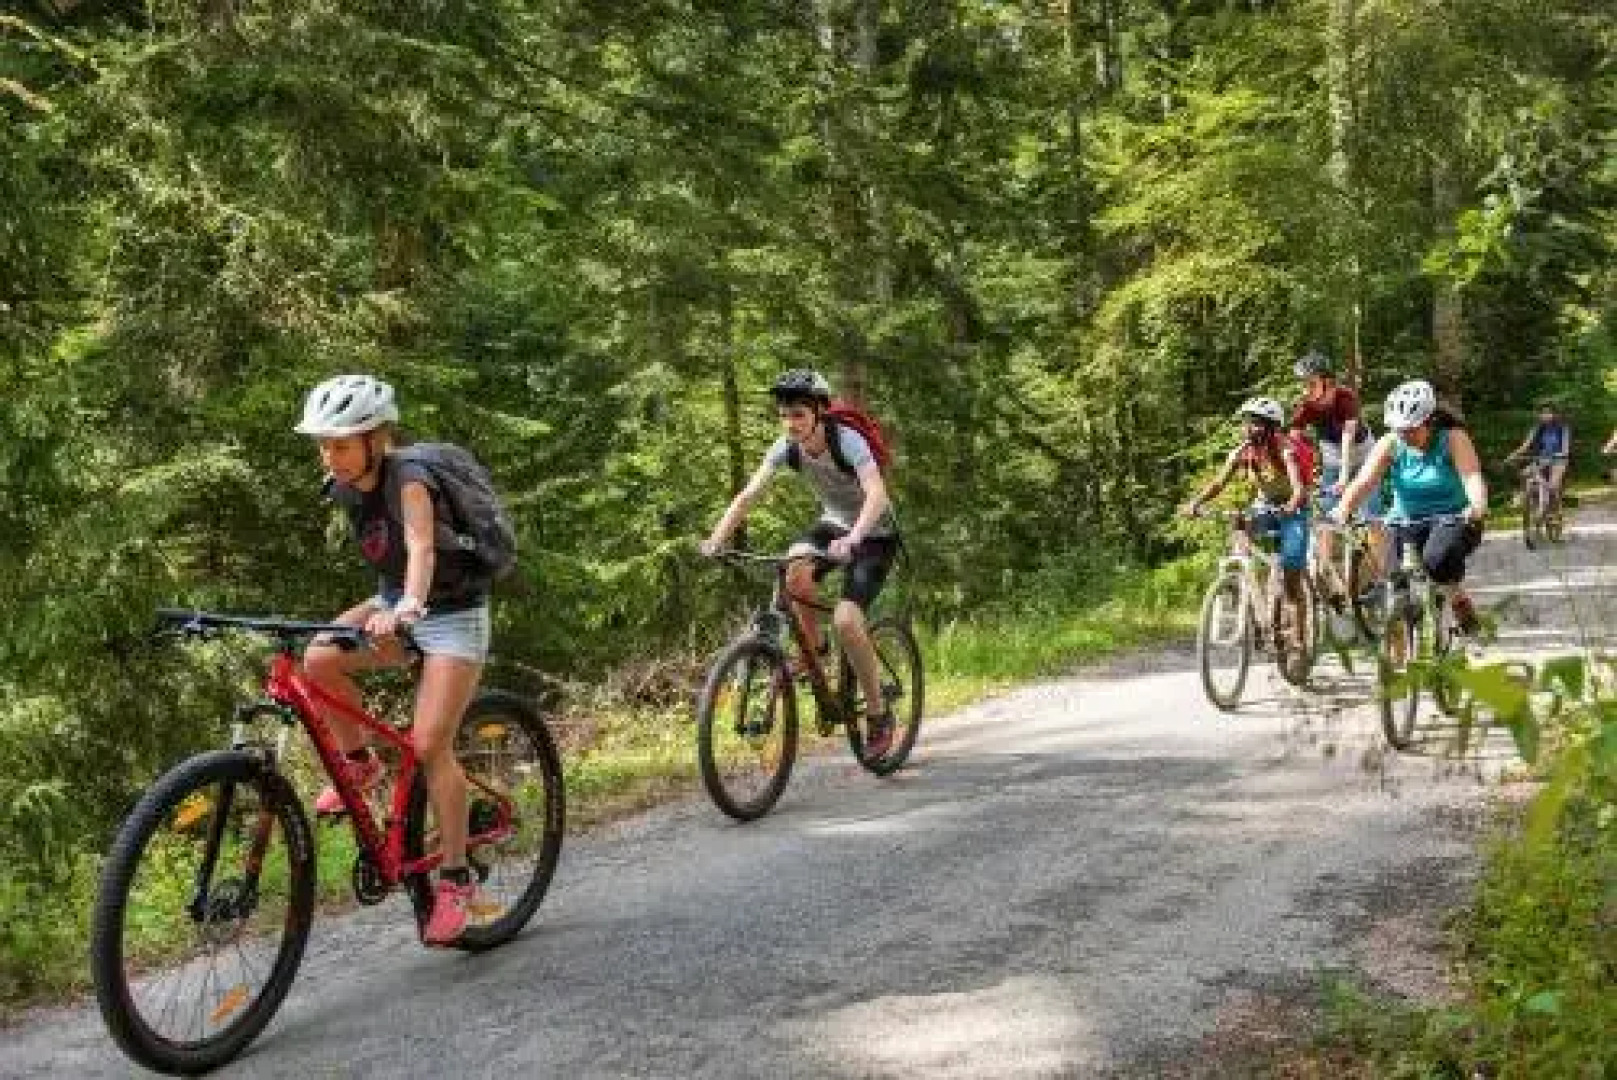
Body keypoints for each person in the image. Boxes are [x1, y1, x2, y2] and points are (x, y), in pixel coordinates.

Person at [294, 374, 493, 946]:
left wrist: (409, 605)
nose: (329, 456)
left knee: (430, 745)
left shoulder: (410, 480)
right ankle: (359, 763)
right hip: (391, 604)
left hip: (451, 615)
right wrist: (393, 607)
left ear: (376, 439)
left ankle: (455, 879)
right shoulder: (346, 485)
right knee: (319, 658)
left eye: (340, 445)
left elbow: (422, 549)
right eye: (323, 445)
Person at [701, 369, 902, 758]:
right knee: (794, 571)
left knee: (846, 620)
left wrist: (855, 537)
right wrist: (716, 539)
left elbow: (876, 493)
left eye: (798, 414)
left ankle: (878, 716)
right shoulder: (786, 447)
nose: (790, 423)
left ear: (819, 413)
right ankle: (815, 653)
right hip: (835, 523)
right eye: (784, 415)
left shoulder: (848, 441)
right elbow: (748, 496)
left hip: (874, 533)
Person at [1333, 379, 1488, 635]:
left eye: (1411, 430)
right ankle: (1402, 647)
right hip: (1405, 520)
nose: (1405, 436)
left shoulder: (1453, 438)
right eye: (1399, 430)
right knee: (1395, 580)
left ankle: (1456, 597)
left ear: (1429, 421)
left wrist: (1477, 506)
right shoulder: (1391, 443)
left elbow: (1471, 476)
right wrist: (1343, 509)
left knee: (1437, 560)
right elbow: (1365, 481)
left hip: (1452, 518)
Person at [1181, 397, 1312, 650]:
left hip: (1293, 509)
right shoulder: (1243, 452)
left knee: (1292, 573)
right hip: (1265, 506)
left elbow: (1298, 488)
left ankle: (1299, 638)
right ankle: (1245, 587)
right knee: (1240, 522)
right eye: (1247, 423)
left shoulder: (1286, 450)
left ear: (1271, 427)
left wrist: (1291, 506)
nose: (1249, 428)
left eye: (1256, 423)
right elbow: (1218, 483)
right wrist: (1195, 502)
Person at [1289, 350, 1387, 598]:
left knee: (1372, 515)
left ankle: (1378, 578)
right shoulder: (1305, 405)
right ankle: (1325, 574)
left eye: (1310, 383)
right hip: (1332, 459)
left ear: (1327, 381)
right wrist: (1297, 478)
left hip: (1364, 456)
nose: (1305, 389)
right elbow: (1292, 443)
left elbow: (1347, 436)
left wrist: (1344, 476)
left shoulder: (1345, 397)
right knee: (1326, 517)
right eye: (1303, 384)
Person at [1504, 401, 1572, 516]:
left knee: (1553, 485)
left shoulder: (1563, 429)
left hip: (1559, 460)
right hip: (1541, 460)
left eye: (1548, 413)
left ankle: (1555, 512)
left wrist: (1563, 453)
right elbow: (1525, 446)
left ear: (1555, 414)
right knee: (1524, 474)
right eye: (1543, 413)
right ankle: (1525, 499)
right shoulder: (1537, 429)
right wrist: (1513, 455)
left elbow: (1565, 447)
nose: (1545, 415)